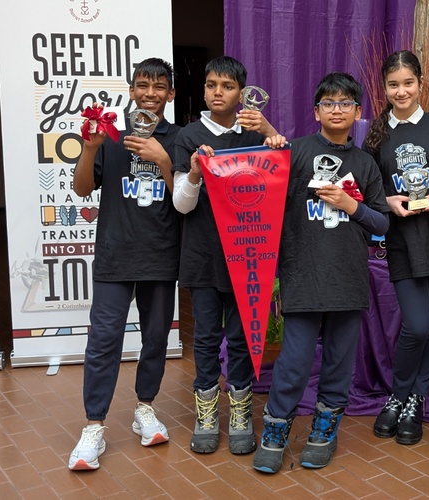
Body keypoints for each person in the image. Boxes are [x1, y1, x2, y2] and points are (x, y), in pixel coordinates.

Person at [250, 72, 390, 474]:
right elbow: (260, 196)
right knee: (293, 363)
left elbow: (382, 224)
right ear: (316, 111)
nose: (337, 110)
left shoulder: (365, 164)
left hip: (347, 280)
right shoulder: (294, 152)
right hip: (303, 276)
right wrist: (270, 147)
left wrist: (350, 205)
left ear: (358, 112)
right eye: (329, 103)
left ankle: (323, 434)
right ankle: (275, 433)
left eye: (346, 103)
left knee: (338, 364)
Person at [67, 57, 180, 471]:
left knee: (156, 339)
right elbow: (82, 189)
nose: (150, 93)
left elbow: (188, 199)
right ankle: (93, 426)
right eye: (142, 85)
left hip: (161, 255)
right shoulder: (110, 134)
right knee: (103, 341)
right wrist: (89, 148)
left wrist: (163, 159)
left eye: (159, 86)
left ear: (170, 94)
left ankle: (145, 408)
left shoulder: (180, 138)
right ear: (131, 90)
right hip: (115, 255)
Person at [172, 55, 284, 455]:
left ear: (242, 93)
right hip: (203, 255)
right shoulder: (188, 136)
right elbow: (181, 204)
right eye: (211, 85)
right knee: (205, 337)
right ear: (204, 90)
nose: (218, 92)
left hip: (248, 256)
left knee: (241, 337)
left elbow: (280, 184)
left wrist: (273, 136)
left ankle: (240, 413)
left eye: (227, 86)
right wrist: (195, 173)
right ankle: (206, 414)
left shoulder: (255, 134)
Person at [362, 50, 429, 446]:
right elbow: (367, 189)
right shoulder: (376, 134)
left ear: (421, 84)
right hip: (403, 238)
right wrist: (387, 201)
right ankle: (397, 394)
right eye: (393, 84)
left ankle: (415, 400)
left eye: (408, 83)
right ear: (384, 88)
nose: (401, 91)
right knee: (417, 324)